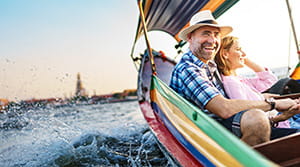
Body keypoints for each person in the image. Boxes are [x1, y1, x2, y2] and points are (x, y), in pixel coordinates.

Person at [169, 10, 300, 146]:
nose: (212, 40)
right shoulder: (188, 69)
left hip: (223, 124)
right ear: (190, 38)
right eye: (206, 34)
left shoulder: (210, 65)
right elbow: (224, 108)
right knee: (257, 119)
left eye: (216, 35)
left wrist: (279, 115)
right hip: (205, 132)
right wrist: (274, 104)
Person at [214, 36, 290, 128]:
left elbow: (270, 81)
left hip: (284, 121)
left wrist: (244, 59)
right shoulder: (231, 83)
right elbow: (247, 113)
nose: (244, 54)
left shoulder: (239, 79)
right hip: (276, 124)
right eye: (238, 49)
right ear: (225, 54)